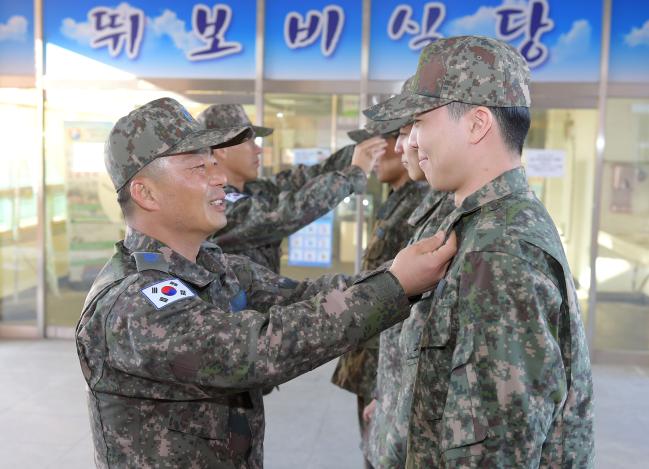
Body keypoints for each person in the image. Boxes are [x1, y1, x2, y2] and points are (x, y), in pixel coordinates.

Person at [75, 97, 458, 468]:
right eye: (198, 168)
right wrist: (393, 286)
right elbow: (256, 350)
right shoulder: (131, 302)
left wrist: (400, 274)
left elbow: (304, 295)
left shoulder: (212, 264)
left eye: (214, 163)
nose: (220, 178)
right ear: (145, 193)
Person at [365, 35, 594, 467]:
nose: (411, 141)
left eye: (420, 122)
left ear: (476, 124)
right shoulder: (475, 220)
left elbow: (500, 448)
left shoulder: (501, 252)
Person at [330, 110, 429, 468]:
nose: (373, 158)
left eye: (378, 146)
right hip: (375, 357)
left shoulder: (419, 201)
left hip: (386, 363)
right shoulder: (397, 197)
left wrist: (390, 388)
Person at [196, 103, 387, 273]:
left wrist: (360, 150)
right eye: (251, 142)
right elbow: (283, 213)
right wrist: (353, 174)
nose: (259, 149)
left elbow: (306, 177)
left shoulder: (253, 189)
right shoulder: (215, 202)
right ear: (222, 150)